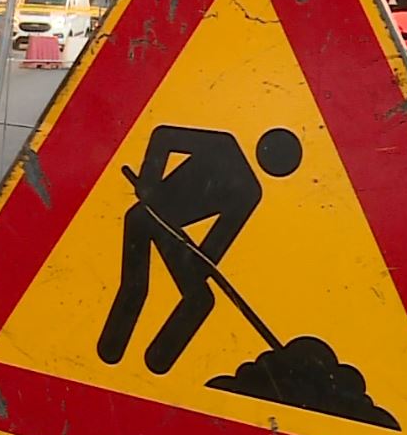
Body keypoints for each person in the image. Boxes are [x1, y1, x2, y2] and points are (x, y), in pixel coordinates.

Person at [97, 125, 302, 375]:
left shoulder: (250, 191)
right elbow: (164, 136)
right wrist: (150, 180)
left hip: (173, 234)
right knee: (136, 286)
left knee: (200, 299)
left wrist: (199, 263)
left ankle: (157, 362)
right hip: (144, 215)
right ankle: (110, 350)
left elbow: (218, 241)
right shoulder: (224, 146)